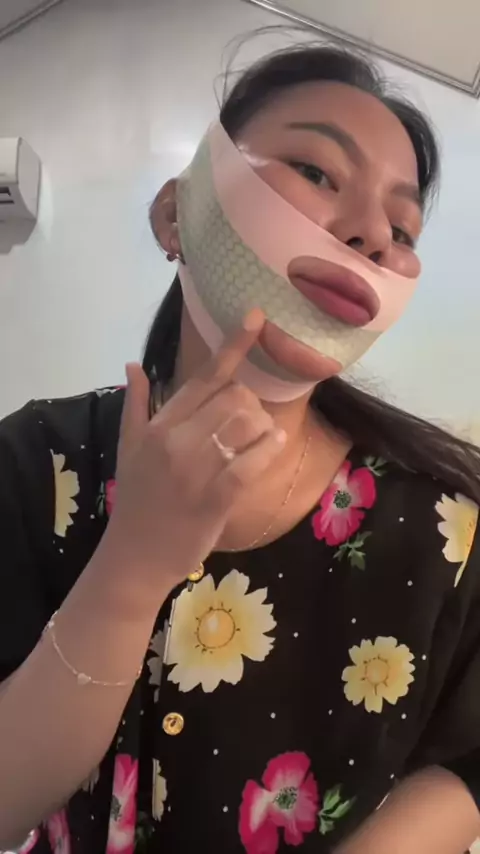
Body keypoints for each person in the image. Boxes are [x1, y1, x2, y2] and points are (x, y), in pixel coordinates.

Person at [1, 42, 480, 854]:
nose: (371, 233)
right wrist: (131, 568)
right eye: (318, 171)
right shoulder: (37, 463)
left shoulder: (447, 527)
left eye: (401, 227)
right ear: (175, 212)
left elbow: (468, 767)